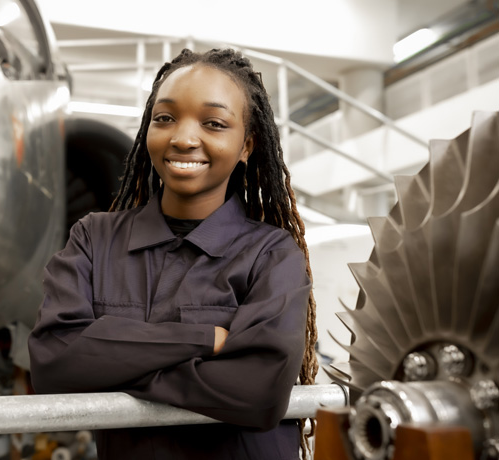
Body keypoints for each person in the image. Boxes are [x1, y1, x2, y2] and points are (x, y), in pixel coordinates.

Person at [28, 48, 318, 460]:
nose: (182, 138)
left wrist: (111, 364)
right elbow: (53, 362)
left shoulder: (271, 255)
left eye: (213, 123)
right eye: (164, 118)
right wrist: (204, 339)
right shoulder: (94, 239)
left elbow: (259, 389)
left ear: (246, 145)